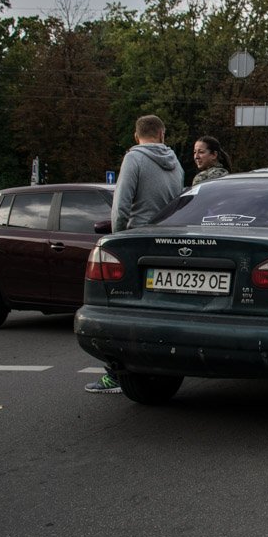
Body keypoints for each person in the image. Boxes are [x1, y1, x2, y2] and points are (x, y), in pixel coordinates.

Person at [86, 114, 184, 394]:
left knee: (120, 310)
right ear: (162, 133)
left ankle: (116, 375)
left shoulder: (135, 158)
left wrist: (117, 238)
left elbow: (122, 203)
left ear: (135, 135)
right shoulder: (175, 162)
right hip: (168, 239)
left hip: (138, 241)